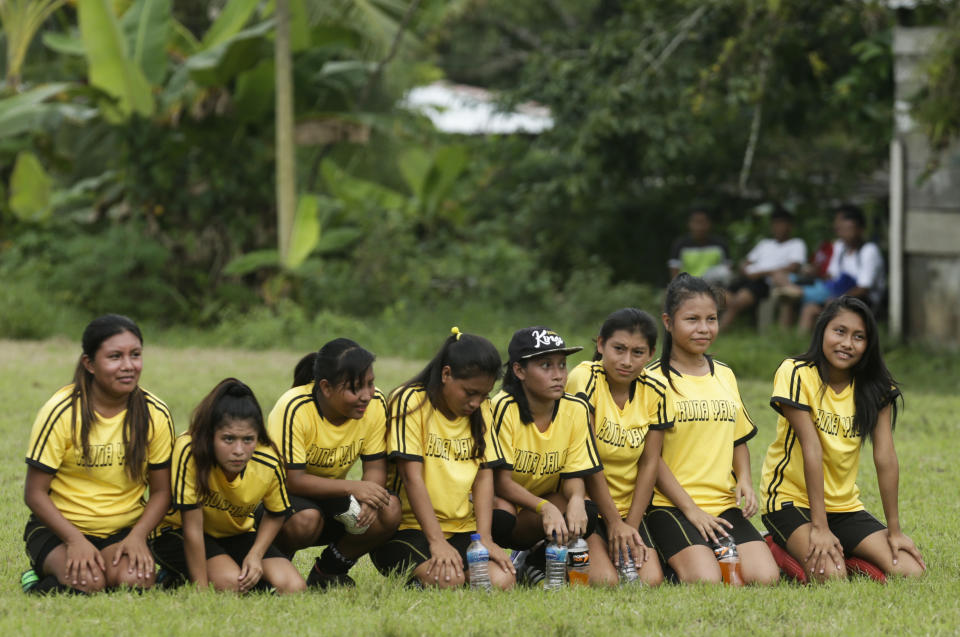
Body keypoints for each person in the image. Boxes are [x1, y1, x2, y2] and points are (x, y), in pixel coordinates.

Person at [759, 296, 925, 582]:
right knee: (831, 577)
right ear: (822, 330)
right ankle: (774, 544)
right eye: (839, 331)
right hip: (790, 501)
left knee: (911, 570)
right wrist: (820, 528)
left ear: (868, 344)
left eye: (859, 337)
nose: (847, 343)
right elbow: (812, 449)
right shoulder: (796, 373)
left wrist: (894, 531)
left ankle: (843, 551)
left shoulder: (877, 387)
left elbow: (885, 457)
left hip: (844, 506)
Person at [22, 314, 174, 594]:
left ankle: (109, 565)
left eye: (135, 355)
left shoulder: (155, 413)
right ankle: (34, 578)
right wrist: (74, 540)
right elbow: (34, 493)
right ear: (89, 364)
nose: (128, 366)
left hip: (123, 531)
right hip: (59, 530)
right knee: (87, 583)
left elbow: (162, 492)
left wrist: (139, 536)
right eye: (115, 357)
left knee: (136, 580)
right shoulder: (61, 411)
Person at [644, 274, 779, 585]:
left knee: (766, 577)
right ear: (668, 322)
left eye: (711, 319)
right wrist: (692, 511)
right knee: (706, 581)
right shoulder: (653, 380)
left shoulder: (725, 375)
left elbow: (738, 439)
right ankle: (667, 559)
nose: (703, 329)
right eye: (692, 319)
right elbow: (651, 459)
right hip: (671, 506)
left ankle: (747, 546)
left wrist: (744, 479)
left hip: (722, 504)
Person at [371, 327, 515, 590]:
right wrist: (436, 541)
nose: (476, 402)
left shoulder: (483, 408)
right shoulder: (410, 401)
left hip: (461, 529)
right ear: (446, 374)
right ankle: (417, 578)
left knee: (502, 581)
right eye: (469, 392)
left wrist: (484, 539)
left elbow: (484, 476)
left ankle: (439, 573)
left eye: (483, 395)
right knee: (449, 580)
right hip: (409, 530)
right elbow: (411, 477)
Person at [266, 338, 401, 588]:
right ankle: (273, 561)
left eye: (370, 384)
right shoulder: (294, 407)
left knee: (388, 509)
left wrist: (370, 497)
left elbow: (375, 466)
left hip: (331, 495)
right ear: (326, 388)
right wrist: (355, 489)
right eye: (355, 388)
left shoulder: (376, 403)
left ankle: (328, 571)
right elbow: (292, 481)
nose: (366, 396)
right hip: (285, 498)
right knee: (306, 520)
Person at [150, 379, 305, 593]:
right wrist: (201, 589)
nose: (239, 450)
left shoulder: (268, 457)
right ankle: (173, 575)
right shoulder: (190, 450)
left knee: (293, 587)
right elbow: (192, 527)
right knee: (231, 584)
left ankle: (232, 569)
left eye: (248, 439)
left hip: (234, 534)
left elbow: (276, 512)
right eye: (228, 439)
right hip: (178, 532)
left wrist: (255, 555)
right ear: (210, 435)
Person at [490, 327, 608, 585]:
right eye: (545, 365)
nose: (558, 375)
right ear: (519, 371)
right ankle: (506, 556)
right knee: (501, 515)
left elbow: (575, 472)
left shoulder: (575, 408)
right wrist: (545, 507)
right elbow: (500, 482)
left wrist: (576, 498)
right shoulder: (503, 407)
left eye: (562, 365)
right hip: (510, 504)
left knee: (585, 509)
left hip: (544, 503)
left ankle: (536, 557)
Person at [566, 308, 672, 587]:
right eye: (618, 349)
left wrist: (631, 526)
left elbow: (650, 463)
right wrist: (613, 523)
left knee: (650, 580)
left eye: (638, 352)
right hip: (587, 505)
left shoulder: (657, 389)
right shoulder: (585, 378)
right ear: (601, 345)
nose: (626, 361)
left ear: (651, 354)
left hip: (629, 509)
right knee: (604, 581)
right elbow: (587, 458)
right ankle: (535, 553)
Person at [796, 205, 885, 332]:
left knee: (832, 306)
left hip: (864, 301)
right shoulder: (841, 248)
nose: (843, 233)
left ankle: (829, 346)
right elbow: (832, 276)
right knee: (809, 309)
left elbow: (864, 288)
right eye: (841, 229)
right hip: (840, 295)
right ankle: (802, 346)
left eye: (848, 229)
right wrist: (816, 275)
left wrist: (837, 299)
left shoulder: (869, 251)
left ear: (860, 229)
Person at [720, 207, 807, 330]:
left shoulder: (796, 243)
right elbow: (745, 263)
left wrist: (761, 273)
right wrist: (745, 270)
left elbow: (793, 267)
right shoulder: (765, 244)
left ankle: (719, 332)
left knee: (738, 301)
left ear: (790, 226)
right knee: (722, 298)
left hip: (765, 282)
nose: (778, 227)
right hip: (747, 278)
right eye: (775, 224)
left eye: (782, 223)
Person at [667, 208, 732, 286]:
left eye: (702, 222)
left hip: (714, 289)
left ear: (709, 223)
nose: (699, 227)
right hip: (686, 288)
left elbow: (726, 271)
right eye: (696, 222)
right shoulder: (680, 245)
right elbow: (675, 276)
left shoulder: (721, 244)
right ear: (689, 224)